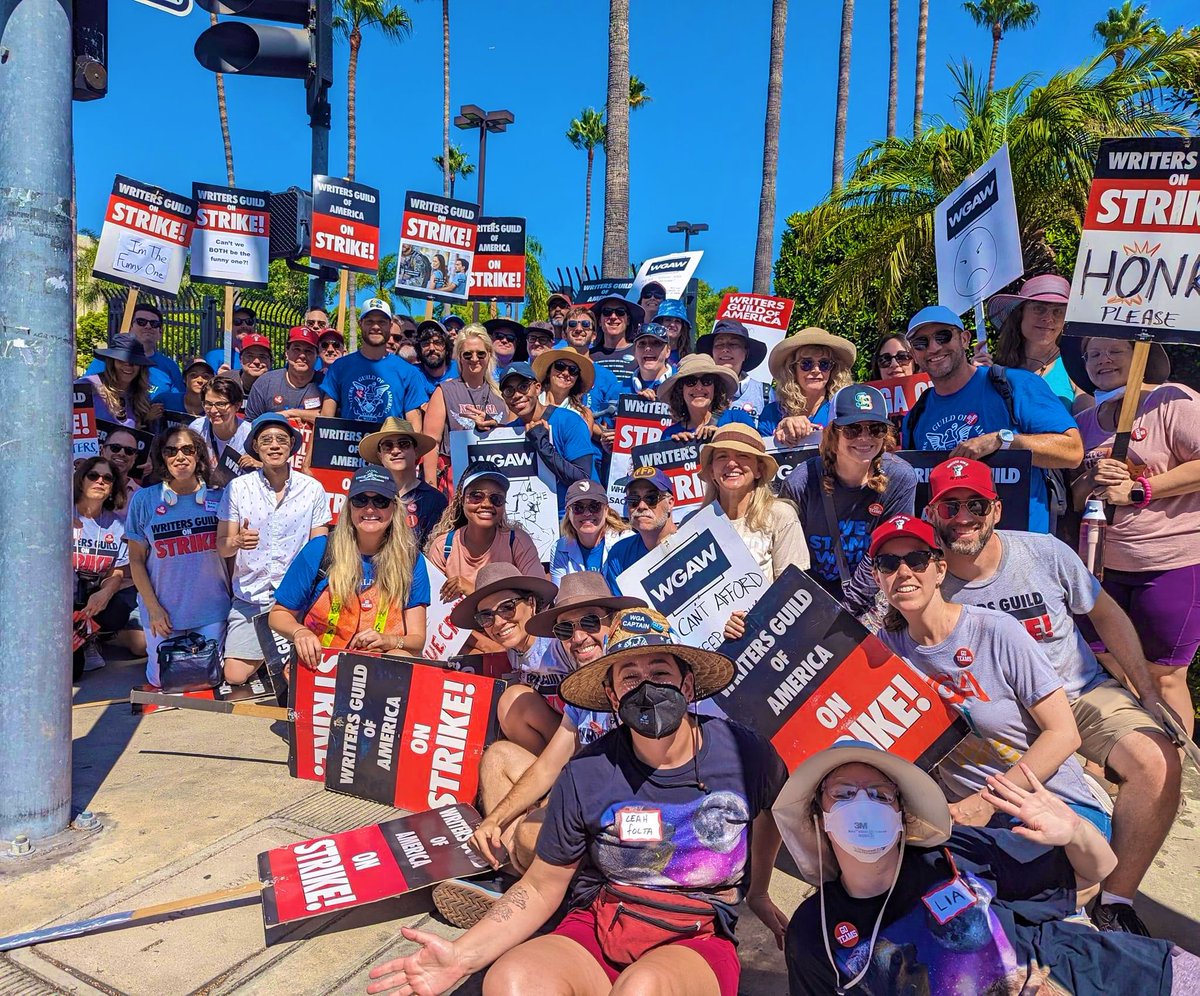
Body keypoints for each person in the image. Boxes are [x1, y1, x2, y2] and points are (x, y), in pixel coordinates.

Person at [368, 607, 789, 996]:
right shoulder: (587, 772)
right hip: (601, 921)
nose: (646, 687)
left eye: (660, 671)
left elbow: (774, 809)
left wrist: (759, 891)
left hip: (695, 935)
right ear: (611, 697)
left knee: (642, 988)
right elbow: (540, 886)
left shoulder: (741, 752)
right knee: (510, 981)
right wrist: (462, 955)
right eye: (629, 677)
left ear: (687, 683)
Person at [928, 455, 1182, 934]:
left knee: (1156, 760)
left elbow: (1105, 614)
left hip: (1076, 691)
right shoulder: (927, 577)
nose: (963, 517)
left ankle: (1116, 900)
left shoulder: (1043, 553)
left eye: (975, 505)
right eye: (950, 506)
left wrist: (1145, 691)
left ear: (997, 510)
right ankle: (1051, 892)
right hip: (997, 712)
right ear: (932, 515)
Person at [779, 741, 1200, 996]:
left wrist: (1075, 832)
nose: (863, 805)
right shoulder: (813, 931)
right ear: (819, 818)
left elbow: (1092, 879)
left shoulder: (952, 855)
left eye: (880, 795)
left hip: (1123, 980)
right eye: (845, 794)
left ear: (903, 815)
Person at [869, 514, 1111, 833]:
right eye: (888, 563)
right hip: (968, 820)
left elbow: (1064, 734)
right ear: (877, 577)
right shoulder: (884, 651)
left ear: (940, 570)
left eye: (916, 560)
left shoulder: (995, 630)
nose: (903, 572)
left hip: (1052, 805)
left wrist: (986, 801)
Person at [434, 573, 645, 926]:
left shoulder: (635, 676)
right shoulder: (584, 688)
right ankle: (514, 880)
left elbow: (626, 780)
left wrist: (549, 807)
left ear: (613, 623)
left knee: (532, 834)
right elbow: (549, 767)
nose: (578, 637)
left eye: (590, 622)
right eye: (565, 630)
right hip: (589, 792)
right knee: (498, 757)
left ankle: (545, 896)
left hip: (636, 820)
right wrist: (494, 819)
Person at [1066, 336, 1200, 738]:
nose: (1102, 360)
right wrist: (1091, 478)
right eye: (1093, 355)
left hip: (1170, 562)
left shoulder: (1171, 401)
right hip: (1103, 568)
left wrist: (1142, 490)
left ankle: (1176, 776)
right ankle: (1142, 759)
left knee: (1164, 675)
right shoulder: (1087, 422)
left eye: (1114, 351)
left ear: (1138, 355)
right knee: (1115, 668)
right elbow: (1076, 497)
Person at [901, 304, 1083, 534]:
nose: (934, 347)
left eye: (943, 336)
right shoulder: (916, 416)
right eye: (921, 343)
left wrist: (1001, 440)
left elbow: (1073, 451)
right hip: (954, 555)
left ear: (965, 339)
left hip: (1021, 548)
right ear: (914, 354)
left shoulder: (1016, 384)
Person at [270, 465, 429, 667]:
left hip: (376, 670)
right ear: (349, 507)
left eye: (380, 501)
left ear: (394, 508)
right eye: (360, 500)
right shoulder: (320, 550)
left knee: (402, 657)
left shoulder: (411, 560)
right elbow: (278, 615)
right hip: (320, 665)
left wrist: (388, 640)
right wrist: (300, 632)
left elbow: (417, 639)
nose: (370, 509)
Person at [779, 385, 916, 619]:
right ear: (833, 432)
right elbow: (788, 554)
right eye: (852, 429)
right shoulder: (800, 482)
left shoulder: (901, 478)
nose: (864, 438)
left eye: (875, 429)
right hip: (812, 598)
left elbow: (886, 550)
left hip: (874, 596)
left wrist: (846, 611)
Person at [217, 414, 330, 685]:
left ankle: (278, 653)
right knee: (234, 676)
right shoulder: (238, 487)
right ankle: (269, 654)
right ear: (256, 446)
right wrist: (237, 542)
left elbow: (320, 547)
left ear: (292, 445)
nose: (274, 446)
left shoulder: (312, 488)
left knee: (302, 676)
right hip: (251, 597)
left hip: (295, 599)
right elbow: (223, 547)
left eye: (281, 439)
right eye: (266, 440)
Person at [125, 426, 231, 687]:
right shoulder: (144, 500)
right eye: (170, 451)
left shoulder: (221, 497)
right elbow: (136, 560)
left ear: (199, 456)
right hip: (164, 613)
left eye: (187, 449)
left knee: (207, 677)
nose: (179, 456)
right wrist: (153, 609)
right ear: (162, 458)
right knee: (163, 680)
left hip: (211, 611)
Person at [449, 563, 562, 753]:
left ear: (532, 604)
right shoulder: (514, 652)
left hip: (587, 736)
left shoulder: (557, 642)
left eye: (507, 608)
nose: (499, 623)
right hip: (558, 735)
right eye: (486, 617)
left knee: (513, 700)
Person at [695, 423, 809, 584]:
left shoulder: (781, 515)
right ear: (712, 471)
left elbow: (793, 589)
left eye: (742, 455)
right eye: (722, 456)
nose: (731, 464)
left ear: (759, 470)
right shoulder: (694, 524)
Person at [424, 464, 544, 603]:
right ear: (462, 500)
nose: (486, 504)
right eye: (476, 496)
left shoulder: (517, 541)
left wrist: (472, 590)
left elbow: (539, 597)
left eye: (496, 498)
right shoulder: (443, 547)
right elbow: (432, 605)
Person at [72, 456, 143, 676]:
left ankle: (95, 636)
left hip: (95, 601)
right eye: (93, 475)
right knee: (72, 673)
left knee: (142, 644)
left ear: (113, 488)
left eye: (107, 478)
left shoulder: (118, 525)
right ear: (81, 481)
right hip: (59, 601)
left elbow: (117, 571)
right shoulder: (61, 514)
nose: (100, 481)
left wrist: (105, 592)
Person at [421, 325, 508, 490]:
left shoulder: (501, 396)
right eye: (468, 354)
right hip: (453, 479)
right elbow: (431, 442)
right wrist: (430, 487)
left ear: (489, 355)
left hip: (495, 479)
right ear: (459, 358)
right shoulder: (444, 391)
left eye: (481, 353)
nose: (474, 358)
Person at [499, 361, 597, 506]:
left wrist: (543, 446)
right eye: (509, 391)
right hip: (526, 519)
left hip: (569, 519)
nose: (517, 395)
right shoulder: (508, 431)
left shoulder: (570, 421)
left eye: (524, 387)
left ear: (537, 388)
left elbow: (582, 480)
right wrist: (485, 434)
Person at [319, 299, 429, 426]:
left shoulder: (409, 372)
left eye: (381, 322)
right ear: (360, 324)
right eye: (369, 321)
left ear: (389, 325)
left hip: (389, 444)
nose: (376, 327)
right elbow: (326, 420)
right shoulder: (339, 367)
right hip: (348, 444)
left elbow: (414, 425)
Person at [983, 273, 1080, 411]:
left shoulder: (1077, 368)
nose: (1048, 318)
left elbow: (1088, 426)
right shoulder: (996, 370)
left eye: (1058, 311)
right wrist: (976, 380)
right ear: (1020, 314)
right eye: (1039, 308)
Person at [358, 416, 446, 549]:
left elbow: (436, 550)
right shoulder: (366, 496)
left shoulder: (435, 499)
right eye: (388, 446)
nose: (395, 451)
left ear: (416, 451)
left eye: (404, 444)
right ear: (380, 455)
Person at [759, 328, 856, 444]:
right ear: (792, 369)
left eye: (824, 364)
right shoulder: (771, 414)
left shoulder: (843, 410)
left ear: (833, 369)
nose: (816, 370)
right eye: (806, 364)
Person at [85, 303, 184, 402]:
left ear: (160, 332)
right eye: (141, 322)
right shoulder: (105, 361)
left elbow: (178, 403)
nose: (148, 326)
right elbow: (84, 394)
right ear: (130, 327)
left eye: (154, 324)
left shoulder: (170, 366)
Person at [603, 467, 677, 592]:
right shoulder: (619, 554)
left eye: (651, 498)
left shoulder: (695, 540)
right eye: (633, 500)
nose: (642, 506)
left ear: (670, 503)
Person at [658, 352, 757, 441]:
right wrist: (676, 449)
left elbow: (757, 450)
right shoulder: (669, 435)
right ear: (680, 390)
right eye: (690, 381)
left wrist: (722, 435)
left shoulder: (737, 418)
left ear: (716, 387)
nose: (699, 387)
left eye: (707, 380)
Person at [695, 318, 771, 428]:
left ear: (746, 353)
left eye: (733, 344)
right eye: (719, 344)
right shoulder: (698, 390)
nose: (725, 349)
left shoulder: (765, 394)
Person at [550, 480, 627, 584]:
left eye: (594, 507)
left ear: (606, 510)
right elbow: (560, 596)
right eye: (578, 508)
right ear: (568, 512)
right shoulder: (559, 548)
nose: (587, 513)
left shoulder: (625, 541)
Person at [243, 327, 323, 421]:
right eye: (296, 349)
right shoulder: (265, 383)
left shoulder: (326, 385)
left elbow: (330, 419)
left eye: (308, 351)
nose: (302, 355)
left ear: (317, 355)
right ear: (286, 353)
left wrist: (290, 413)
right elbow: (250, 424)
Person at [82, 333, 158, 429]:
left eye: (134, 362)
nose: (128, 366)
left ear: (141, 367)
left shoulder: (140, 397)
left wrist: (146, 420)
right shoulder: (87, 386)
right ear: (112, 362)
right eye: (121, 360)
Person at [190, 375, 253, 483]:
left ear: (237, 405)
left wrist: (261, 463)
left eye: (221, 404)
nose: (213, 410)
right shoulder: (196, 429)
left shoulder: (250, 435)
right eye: (208, 404)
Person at [534, 346, 596, 438]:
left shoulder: (584, 414)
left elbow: (581, 449)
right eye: (560, 366)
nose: (566, 373)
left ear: (577, 379)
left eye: (573, 370)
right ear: (548, 372)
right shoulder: (531, 402)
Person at [588, 293, 644, 382]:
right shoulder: (589, 356)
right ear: (599, 321)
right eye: (607, 312)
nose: (613, 317)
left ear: (628, 320)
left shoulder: (641, 352)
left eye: (620, 312)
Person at [620, 323, 675, 396]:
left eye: (656, 343)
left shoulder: (683, 385)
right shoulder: (619, 390)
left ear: (668, 351)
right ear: (634, 351)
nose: (648, 348)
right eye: (642, 343)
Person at [203, 305, 259, 373]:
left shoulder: (260, 357)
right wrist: (218, 378)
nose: (244, 325)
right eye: (237, 321)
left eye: (249, 321)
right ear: (225, 327)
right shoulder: (215, 356)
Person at [101, 428, 144, 509]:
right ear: (103, 451)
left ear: (135, 458)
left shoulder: (144, 497)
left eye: (129, 450)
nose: (122, 453)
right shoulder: (83, 486)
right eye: (115, 448)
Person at [414, 320, 457, 393]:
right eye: (426, 343)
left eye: (437, 343)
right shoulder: (412, 374)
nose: (431, 348)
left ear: (447, 347)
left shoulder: (459, 370)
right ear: (419, 349)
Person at [233, 332, 272, 398]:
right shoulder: (227, 383)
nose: (256, 361)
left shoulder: (278, 387)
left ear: (270, 361)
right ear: (240, 359)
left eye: (262, 357)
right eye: (250, 356)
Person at [652, 298, 692, 362]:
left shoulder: (689, 358)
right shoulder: (649, 351)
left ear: (683, 328)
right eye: (668, 320)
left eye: (677, 321)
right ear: (659, 323)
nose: (672, 324)